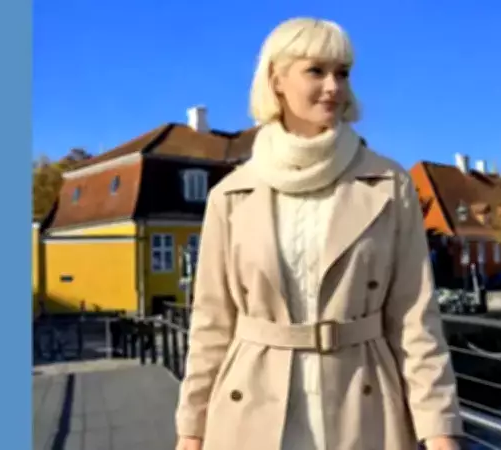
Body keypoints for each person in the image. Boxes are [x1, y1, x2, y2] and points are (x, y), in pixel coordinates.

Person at [174, 17, 463, 450]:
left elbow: (414, 315)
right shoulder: (230, 195)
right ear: (277, 79)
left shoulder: (388, 184)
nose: (333, 87)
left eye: (342, 73)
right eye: (316, 71)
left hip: (363, 403)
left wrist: (439, 430)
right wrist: (191, 431)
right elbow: (211, 323)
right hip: (251, 407)